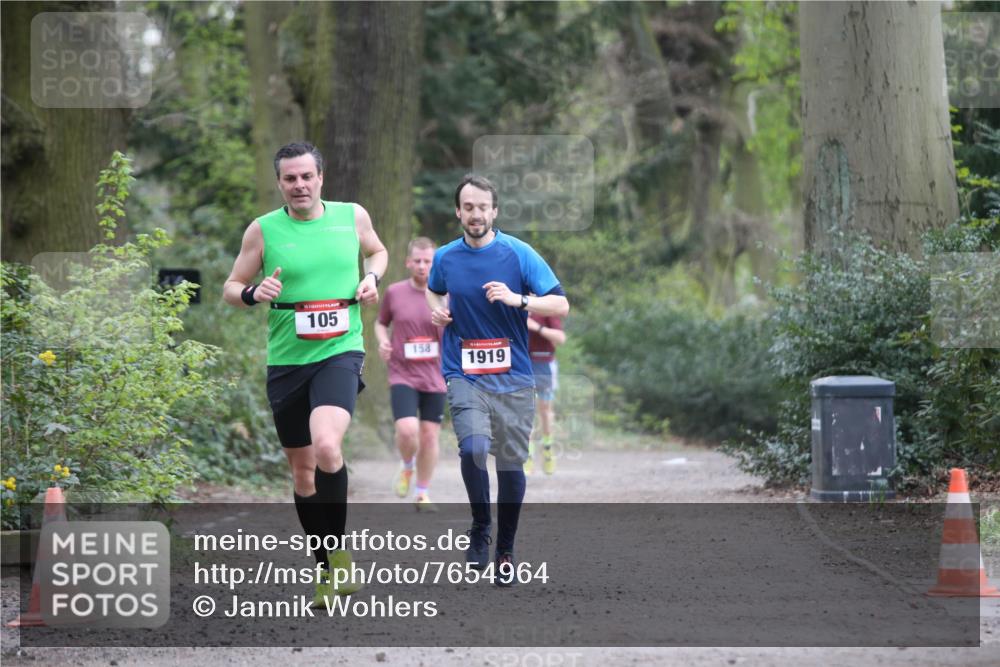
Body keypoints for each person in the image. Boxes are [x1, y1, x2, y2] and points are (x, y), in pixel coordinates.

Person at [223, 141, 387, 605]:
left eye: (306, 176)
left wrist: (371, 277)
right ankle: (325, 570)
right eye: (290, 178)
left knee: (327, 446)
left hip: (340, 350)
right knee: (302, 474)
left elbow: (377, 252)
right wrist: (256, 292)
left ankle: (340, 560)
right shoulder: (263, 229)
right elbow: (230, 288)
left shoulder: (351, 216)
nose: (299, 185)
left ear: (321, 177)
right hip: (287, 362)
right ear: (279, 183)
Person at [426, 174, 569, 586]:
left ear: (495, 211)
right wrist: (438, 311)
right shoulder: (445, 257)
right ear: (458, 212)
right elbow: (435, 291)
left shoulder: (519, 254)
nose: (476, 214)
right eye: (468, 207)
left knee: (510, 464)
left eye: (483, 207)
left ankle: (505, 547)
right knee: (472, 449)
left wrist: (517, 299)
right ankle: (480, 528)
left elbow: (561, 301)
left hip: (514, 376)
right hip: (464, 371)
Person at [374, 237, 446, 512]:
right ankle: (407, 466)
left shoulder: (445, 295)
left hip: (435, 375)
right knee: (407, 430)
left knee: (429, 436)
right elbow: (381, 323)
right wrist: (383, 341)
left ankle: (422, 492)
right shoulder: (394, 292)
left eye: (428, 261)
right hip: (402, 373)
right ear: (408, 262)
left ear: (434, 264)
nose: (422, 265)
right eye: (417, 260)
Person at [524, 313, 566, 475]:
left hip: (543, 363)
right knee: (525, 412)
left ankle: (547, 448)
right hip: (521, 363)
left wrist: (536, 327)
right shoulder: (513, 306)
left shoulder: (546, 309)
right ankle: (527, 455)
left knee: (544, 410)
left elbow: (560, 338)